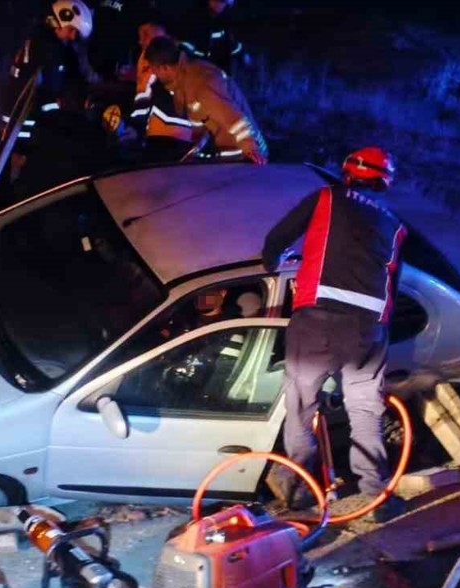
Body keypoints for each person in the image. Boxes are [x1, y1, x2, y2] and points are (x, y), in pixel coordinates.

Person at [260, 147, 406, 521]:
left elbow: (276, 239)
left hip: (317, 321)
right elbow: (393, 280)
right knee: (365, 412)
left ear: (347, 173)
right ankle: (375, 497)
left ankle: (298, 492)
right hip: (368, 331)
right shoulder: (396, 224)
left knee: (301, 407)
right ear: (383, 182)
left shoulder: (326, 198)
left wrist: (275, 264)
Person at [141, 35, 267, 163]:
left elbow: (232, 118)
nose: (153, 73)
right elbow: (202, 119)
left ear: (165, 67)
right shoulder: (183, 84)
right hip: (228, 147)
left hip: (242, 151)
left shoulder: (200, 81)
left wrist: (250, 148)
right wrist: (196, 145)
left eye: (154, 68)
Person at [3, 0, 99, 153]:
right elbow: (37, 91)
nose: (73, 37)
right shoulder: (43, 49)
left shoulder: (54, 47)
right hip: (23, 127)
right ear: (59, 22)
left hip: (33, 125)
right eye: (71, 30)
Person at [129, 13, 197, 161]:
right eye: (140, 35)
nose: (141, 41)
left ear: (164, 32)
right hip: (160, 139)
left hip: (176, 140)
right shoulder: (146, 57)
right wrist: (135, 127)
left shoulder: (187, 53)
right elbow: (143, 94)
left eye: (146, 34)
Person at [180, 0, 246, 75]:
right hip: (197, 67)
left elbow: (233, 44)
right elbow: (185, 44)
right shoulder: (194, 17)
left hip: (219, 70)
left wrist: (243, 57)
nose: (219, 5)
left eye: (223, 3)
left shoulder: (227, 20)